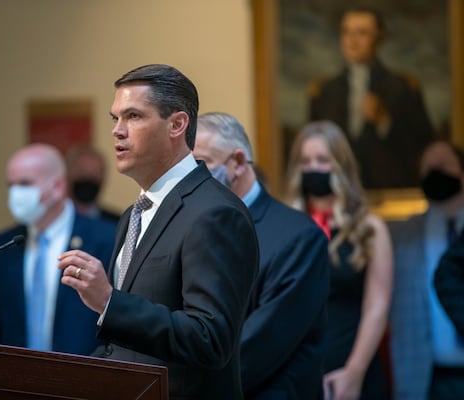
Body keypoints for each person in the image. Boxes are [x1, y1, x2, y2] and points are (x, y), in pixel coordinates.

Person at [57, 64, 259, 400]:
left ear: (177, 124)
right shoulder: (132, 214)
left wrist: (109, 302)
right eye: (115, 118)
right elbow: (125, 347)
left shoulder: (215, 213)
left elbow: (210, 338)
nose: (117, 131)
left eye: (133, 116)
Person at [193, 112, 330, 399]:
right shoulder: (194, 225)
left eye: (202, 163)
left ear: (239, 162)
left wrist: (184, 384)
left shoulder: (298, 237)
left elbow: (263, 341)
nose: (193, 176)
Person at [285, 120, 393, 400]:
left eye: (323, 160)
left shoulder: (369, 228)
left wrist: (354, 372)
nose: (314, 169)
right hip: (294, 370)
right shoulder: (285, 224)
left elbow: (377, 307)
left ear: (341, 165)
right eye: (305, 161)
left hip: (352, 367)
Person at [0, 143, 116, 355]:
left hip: (84, 376)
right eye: (11, 185)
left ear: (58, 187)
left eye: (25, 183)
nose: (16, 193)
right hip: (15, 379)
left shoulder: (105, 239)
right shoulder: (3, 244)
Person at [308, 5, 434, 189]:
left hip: (391, 193)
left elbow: (422, 144)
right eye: (347, 32)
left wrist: (385, 121)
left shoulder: (403, 87)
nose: (353, 40)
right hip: (337, 193)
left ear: (378, 38)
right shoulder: (324, 91)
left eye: (362, 33)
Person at [390, 140, 464, 399]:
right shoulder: (401, 237)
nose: (435, 173)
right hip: (425, 377)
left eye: (442, 165)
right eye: (428, 169)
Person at [65, 143, 121, 224]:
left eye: (95, 175)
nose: (88, 179)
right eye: (82, 173)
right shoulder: (51, 221)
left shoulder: (118, 224)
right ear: (67, 176)